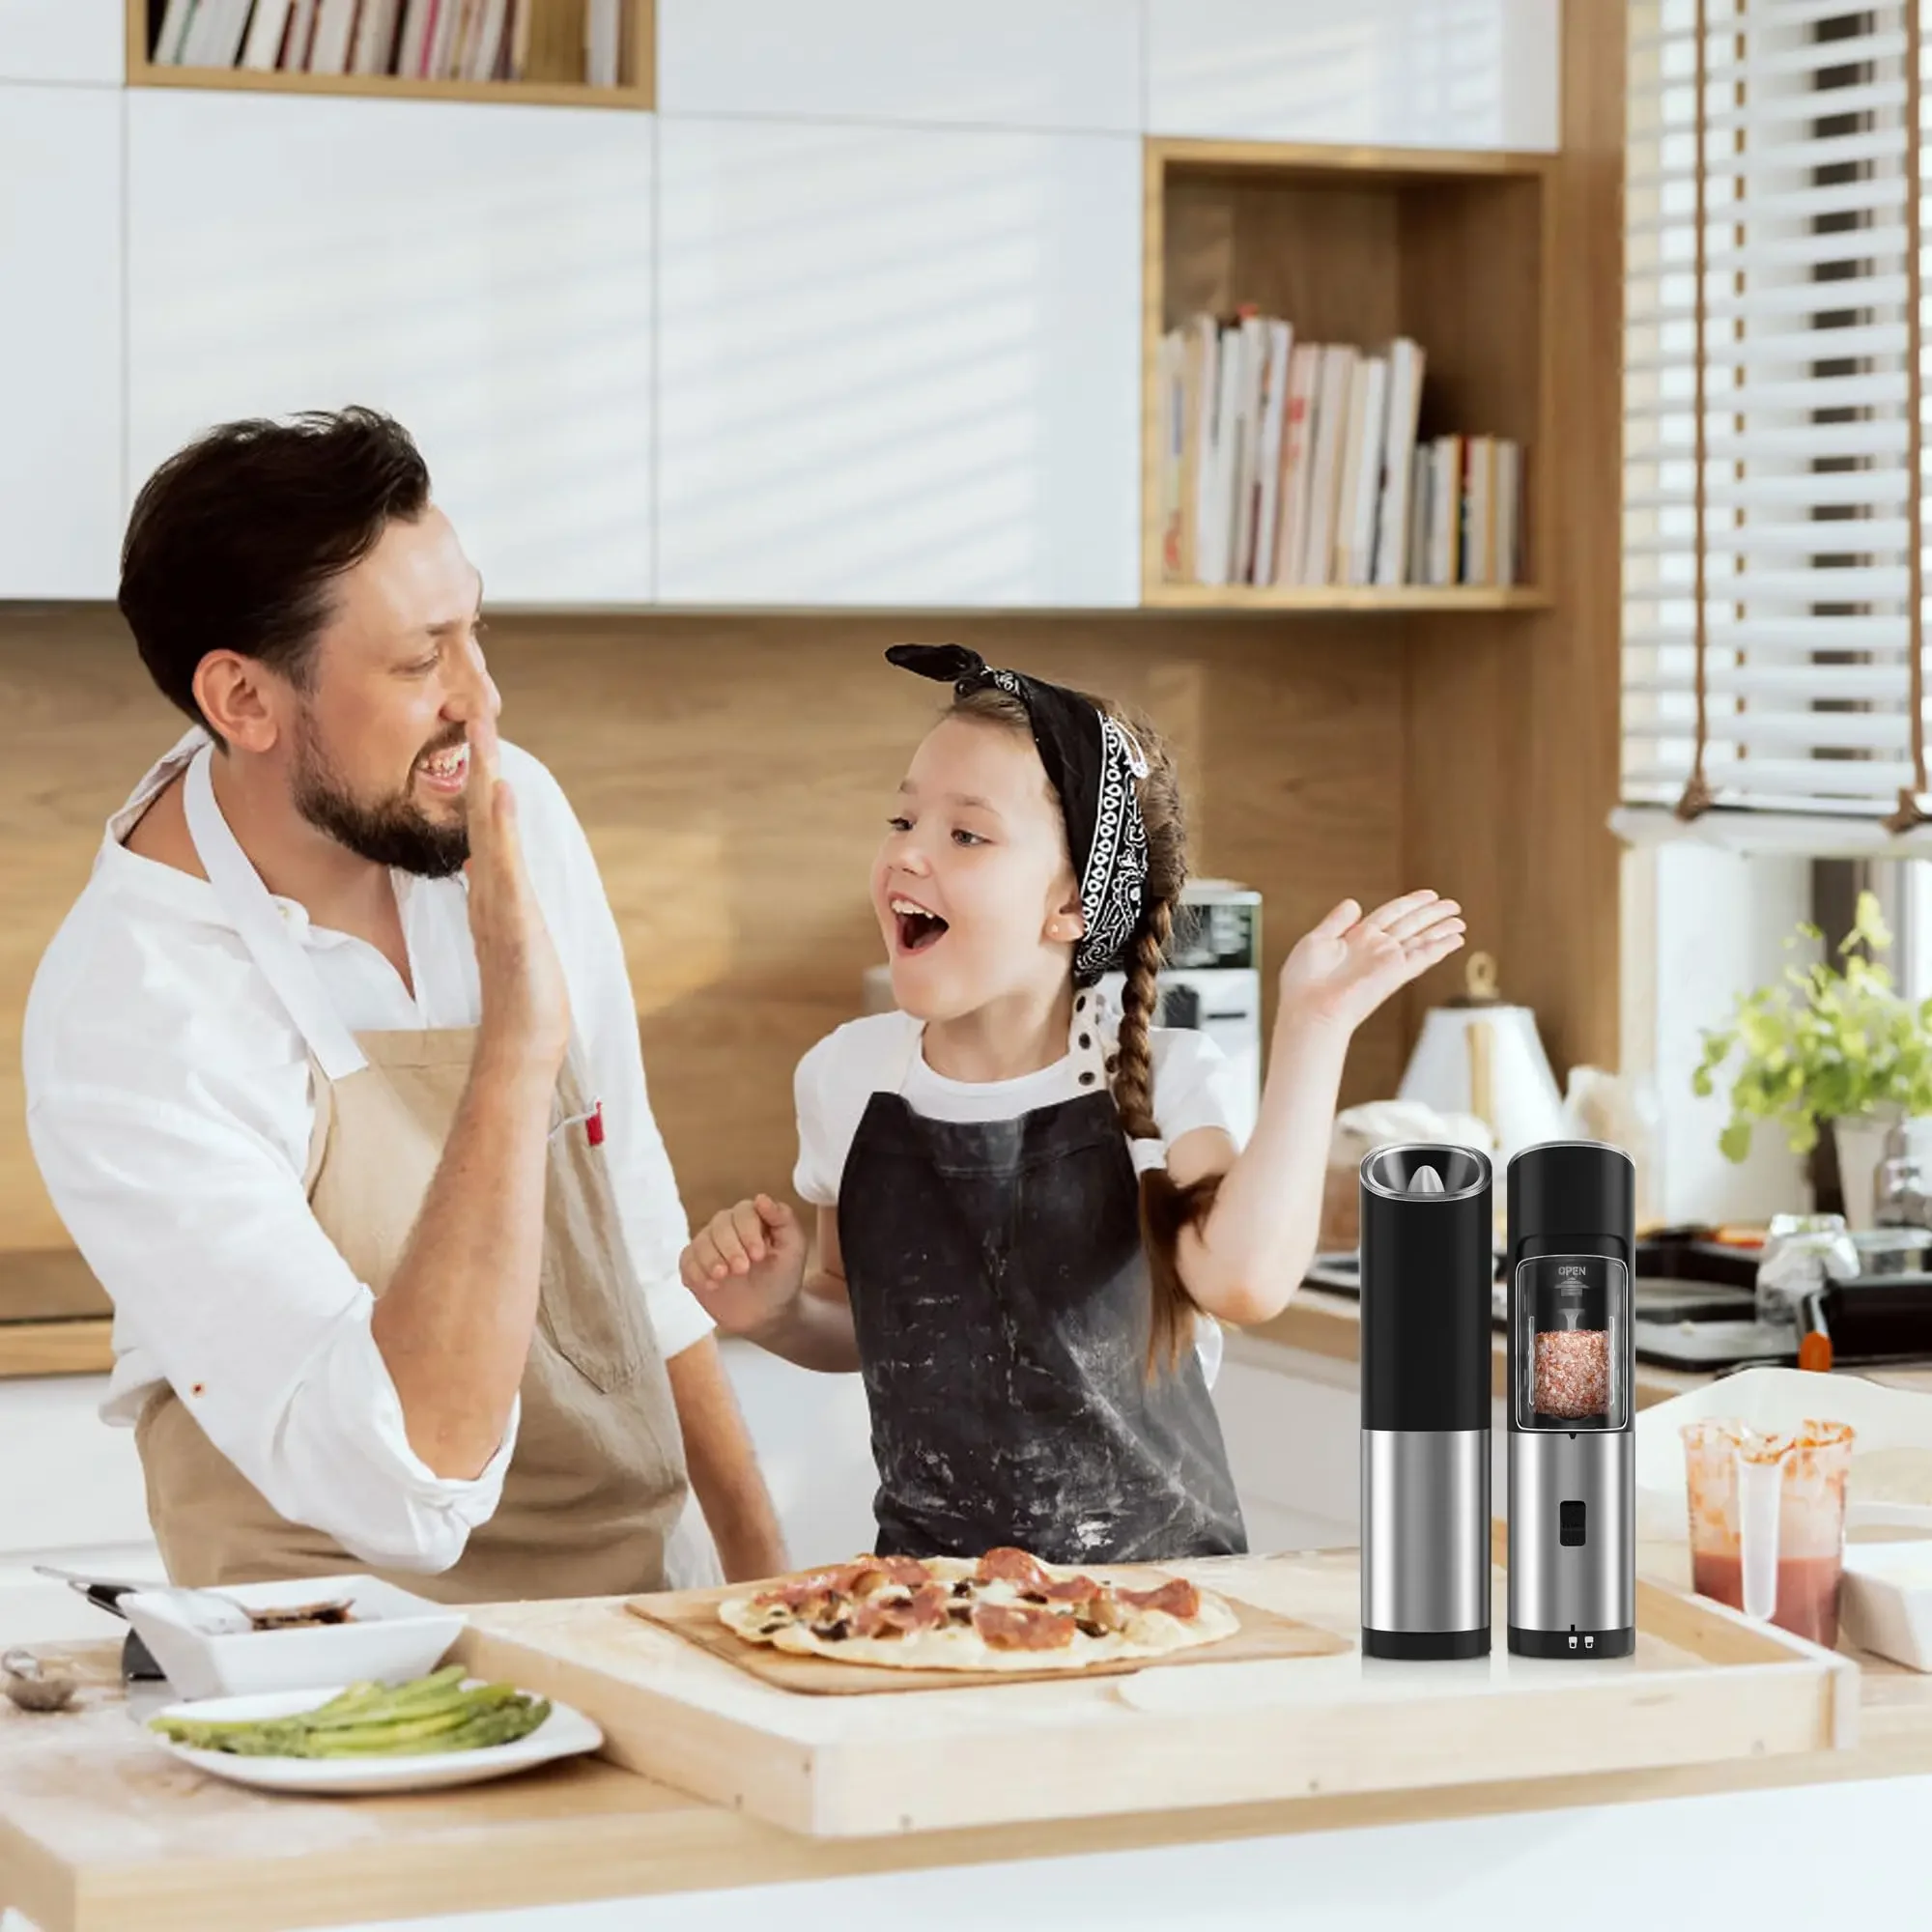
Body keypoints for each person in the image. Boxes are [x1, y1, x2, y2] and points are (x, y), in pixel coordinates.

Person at [23, 408, 785, 1597]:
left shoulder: (502, 806)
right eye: (422, 660)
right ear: (243, 701)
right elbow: (407, 1478)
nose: (481, 704)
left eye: (473, 632)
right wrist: (516, 1047)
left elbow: (631, 1226)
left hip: (626, 1597)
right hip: (332, 1649)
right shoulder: (133, 1009)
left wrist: (761, 1580)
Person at [678, 644, 1464, 1566]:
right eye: (902, 817)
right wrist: (774, 1314)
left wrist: (1316, 1025)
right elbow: (868, 1317)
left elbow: (1241, 1281)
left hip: (1158, 1598)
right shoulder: (846, 1078)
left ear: (1074, 906)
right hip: (927, 1595)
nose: (908, 852)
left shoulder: (1168, 1080)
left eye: (966, 835)